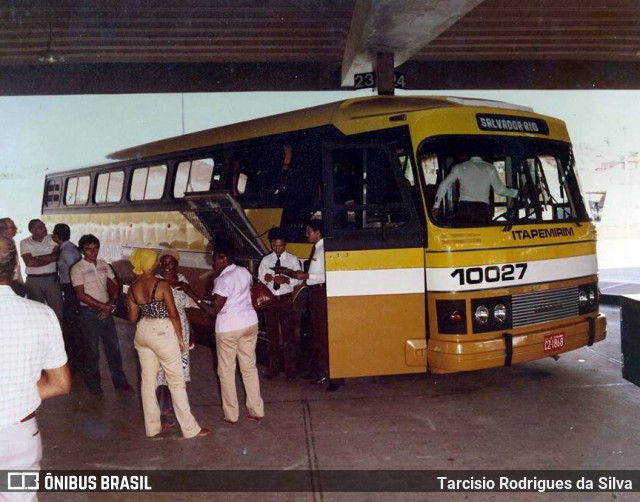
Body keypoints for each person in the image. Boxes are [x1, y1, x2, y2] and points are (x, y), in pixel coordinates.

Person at [0, 236, 71, 482]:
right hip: (20, 436)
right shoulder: (43, 314)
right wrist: (17, 391)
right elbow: (60, 383)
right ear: (17, 266)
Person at [126, 248, 210, 439]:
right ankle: (190, 429)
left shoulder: (133, 287)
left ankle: (152, 428)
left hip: (142, 331)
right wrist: (180, 339)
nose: (158, 263)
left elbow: (132, 318)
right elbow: (173, 314)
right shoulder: (161, 284)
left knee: (148, 382)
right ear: (150, 263)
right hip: (163, 332)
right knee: (176, 381)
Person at [198, 249, 264, 425]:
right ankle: (256, 411)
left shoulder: (222, 280)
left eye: (214, 261)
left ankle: (232, 415)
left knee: (226, 372)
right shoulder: (244, 271)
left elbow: (214, 311)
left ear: (224, 258)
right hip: (249, 323)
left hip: (229, 328)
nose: (213, 265)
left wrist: (194, 296)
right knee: (249, 367)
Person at [70, 234, 131, 396]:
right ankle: (94, 386)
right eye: (89, 249)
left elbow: (114, 285)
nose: (93, 252)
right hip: (88, 313)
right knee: (92, 351)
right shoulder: (77, 268)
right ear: (82, 250)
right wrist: (104, 307)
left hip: (106, 311)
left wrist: (110, 304)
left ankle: (120, 382)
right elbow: (81, 295)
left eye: (96, 248)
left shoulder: (104, 264)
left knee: (114, 349)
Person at [292, 219, 343, 392]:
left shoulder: (324, 249)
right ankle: (324, 373)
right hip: (315, 292)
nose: (307, 234)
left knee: (324, 335)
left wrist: (306, 277)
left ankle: (333, 376)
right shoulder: (318, 248)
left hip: (321, 292)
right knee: (318, 335)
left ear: (318, 232)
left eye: (309, 231)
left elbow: (326, 275)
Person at [154, 247, 200, 428]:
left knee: (179, 370)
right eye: (163, 263)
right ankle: (160, 411)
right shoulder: (156, 281)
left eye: (170, 263)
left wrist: (192, 331)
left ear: (176, 264)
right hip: (163, 330)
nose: (166, 266)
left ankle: (172, 408)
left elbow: (187, 308)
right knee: (160, 371)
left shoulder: (182, 280)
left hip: (181, 330)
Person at [257, 227, 301, 380]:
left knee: (288, 336)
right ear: (271, 245)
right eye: (275, 246)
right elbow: (260, 277)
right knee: (272, 336)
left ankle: (290, 370)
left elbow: (298, 279)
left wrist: (287, 280)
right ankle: (273, 368)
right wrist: (266, 279)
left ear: (285, 245)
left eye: (280, 246)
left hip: (285, 299)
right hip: (270, 301)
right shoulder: (266, 260)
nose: (277, 249)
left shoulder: (292, 259)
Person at [432, 156, 519, 225]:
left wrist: (436, 205)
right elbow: (500, 190)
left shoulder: (459, 167)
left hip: (464, 210)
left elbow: (444, 185)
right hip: (481, 211)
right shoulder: (490, 168)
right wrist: (516, 193)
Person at [52, 223, 83, 373]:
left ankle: (75, 361)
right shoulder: (67, 248)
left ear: (56, 236)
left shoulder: (67, 251)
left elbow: (74, 271)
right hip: (70, 288)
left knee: (71, 324)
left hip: (71, 288)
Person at [19, 219, 63, 321]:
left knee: (57, 312)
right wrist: (50, 257)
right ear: (31, 231)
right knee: (36, 313)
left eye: (44, 226)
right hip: (33, 281)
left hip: (52, 280)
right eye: (40, 227)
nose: (44, 229)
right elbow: (29, 263)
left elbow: (56, 257)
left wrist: (36, 257)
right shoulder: (24, 242)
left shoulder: (53, 238)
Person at [0, 217, 25, 296]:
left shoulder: (12, 242)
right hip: (5, 284)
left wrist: (20, 282)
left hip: (15, 283)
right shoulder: (2, 245)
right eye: (13, 227)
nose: (16, 229)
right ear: (3, 229)